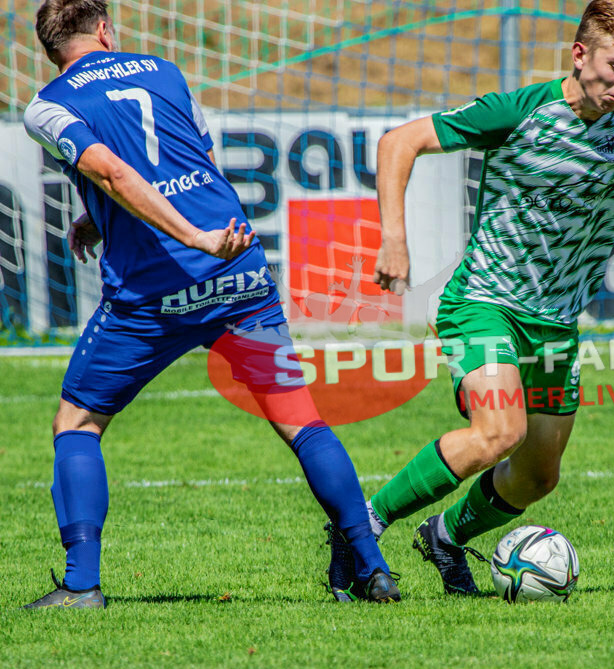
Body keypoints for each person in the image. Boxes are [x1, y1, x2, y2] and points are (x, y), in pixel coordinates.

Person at [22, 0, 397, 608]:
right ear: (105, 30)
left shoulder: (48, 105)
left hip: (155, 292)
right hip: (238, 269)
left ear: (48, 50)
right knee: (302, 421)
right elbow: (198, 164)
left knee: (78, 423)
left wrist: (188, 238)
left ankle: (82, 585)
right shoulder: (165, 71)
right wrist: (119, 219)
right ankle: (374, 568)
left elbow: (114, 173)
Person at [365, 0, 614, 595]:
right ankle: (359, 530)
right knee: (499, 431)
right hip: (483, 303)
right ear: (579, 54)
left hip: (557, 324)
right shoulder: (520, 110)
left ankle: (445, 535)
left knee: (538, 476)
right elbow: (398, 142)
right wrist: (394, 239)